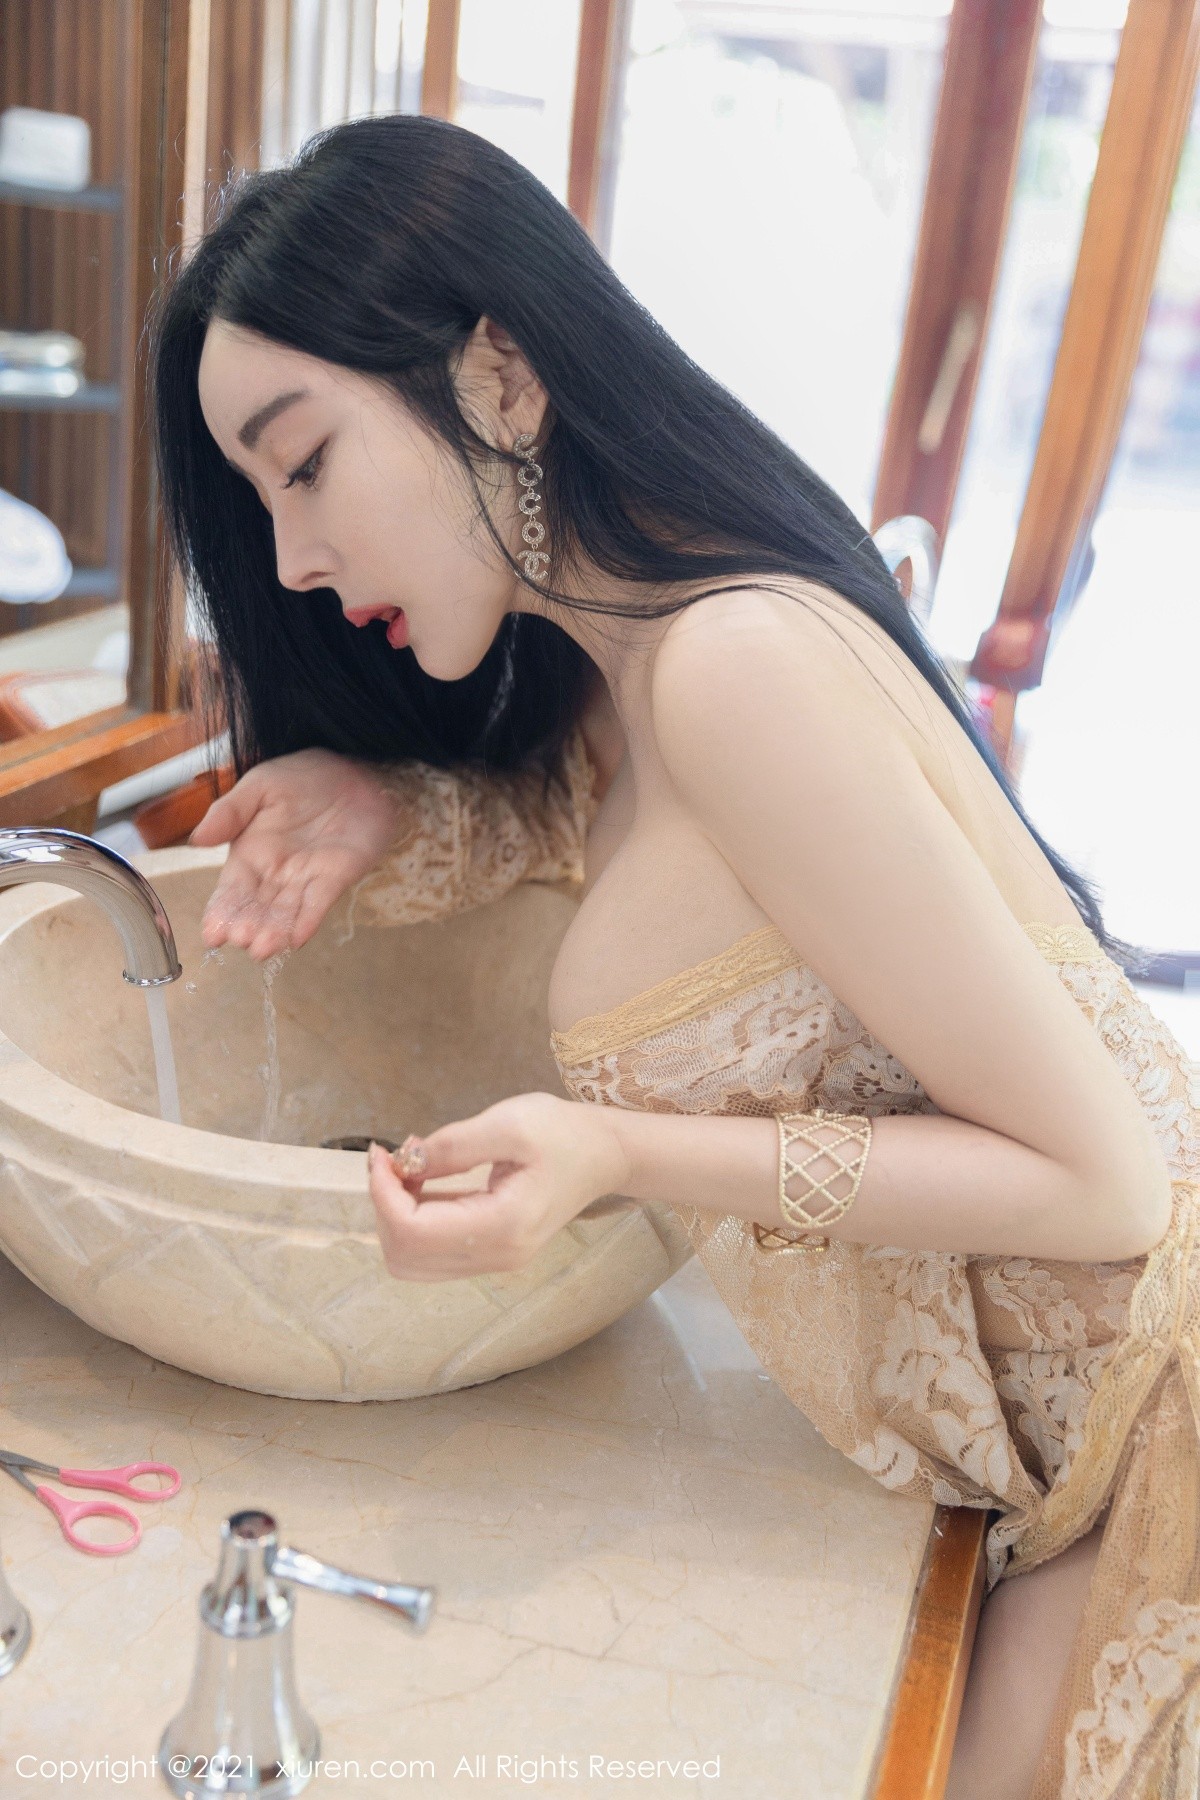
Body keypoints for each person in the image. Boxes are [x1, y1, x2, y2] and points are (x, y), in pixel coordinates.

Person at [151, 113, 1199, 1800]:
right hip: (1050, 1474)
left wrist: (621, 1151)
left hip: (1151, 1463)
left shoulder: (732, 664)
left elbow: (1104, 1184)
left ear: (501, 375)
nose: (290, 559)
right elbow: (616, 850)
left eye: (308, 463)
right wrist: (387, 802)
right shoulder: (626, 668)